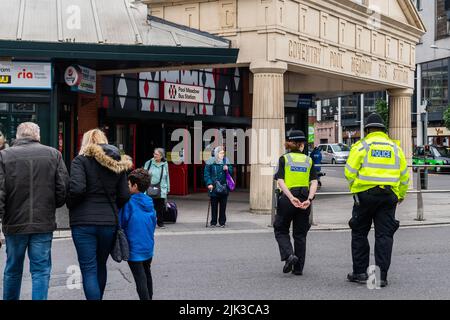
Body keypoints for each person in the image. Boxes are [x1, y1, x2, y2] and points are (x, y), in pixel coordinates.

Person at [0, 122, 69, 300]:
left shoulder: (4, 156)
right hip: (43, 221)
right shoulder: (54, 154)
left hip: (14, 223)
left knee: (13, 269)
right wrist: (51, 205)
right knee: (40, 271)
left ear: (18, 136)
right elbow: (62, 188)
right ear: (37, 136)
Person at [345, 113, 409, 288]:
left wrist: (356, 189)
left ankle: (359, 273)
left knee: (359, 233)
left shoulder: (362, 145)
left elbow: (349, 171)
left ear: (367, 130)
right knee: (384, 236)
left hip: (364, 197)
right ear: (383, 130)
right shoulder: (395, 148)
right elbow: (404, 176)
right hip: (388, 197)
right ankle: (380, 277)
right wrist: (400, 195)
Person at [67, 129, 132, 300]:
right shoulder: (117, 164)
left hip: (83, 222)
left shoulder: (80, 161)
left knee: (88, 269)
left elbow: (77, 189)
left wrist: (71, 205)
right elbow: (125, 195)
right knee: (101, 265)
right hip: (108, 222)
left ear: (86, 142)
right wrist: (112, 207)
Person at [273, 130, 318, 275]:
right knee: (300, 234)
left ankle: (289, 255)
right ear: (301, 145)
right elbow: (314, 182)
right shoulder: (308, 160)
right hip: (304, 198)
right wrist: (309, 199)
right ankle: (298, 269)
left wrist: (291, 197)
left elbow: (280, 181)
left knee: (280, 229)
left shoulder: (284, 159)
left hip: (288, 198)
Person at [119, 168, 157, 300]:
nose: (127, 186)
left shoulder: (129, 202)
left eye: (128, 184)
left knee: (140, 279)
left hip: (134, 248)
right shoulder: (149, 202)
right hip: (148, 246)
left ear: (135, 186)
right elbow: (153, 223)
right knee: (147, 274)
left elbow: (122, 222)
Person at [204, 146, 233, 228]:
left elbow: (231, 172)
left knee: (223, 206)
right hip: (213, 187)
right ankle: (213, 222)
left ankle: (222, 222)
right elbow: (207, 174)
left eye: (223, 153)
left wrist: (228, 169)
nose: (222, 154)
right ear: (216, 153)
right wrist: (209, 183)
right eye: (221, 153)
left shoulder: (225, 160)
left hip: (224, 187)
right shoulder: (210, 161)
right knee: (214, 205)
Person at [144, 148, 170, 229]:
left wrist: (168, 188)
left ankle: (160, 223)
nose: (154, 155)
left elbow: (167, 176)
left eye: (157, 154)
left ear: (161, 156)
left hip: (162, 188)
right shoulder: (149, 163)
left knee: (160, 207)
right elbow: (144, 175)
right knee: (149, 206)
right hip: (149, 187)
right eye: (154, 154)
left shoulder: (165, 164)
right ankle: (149, 222)